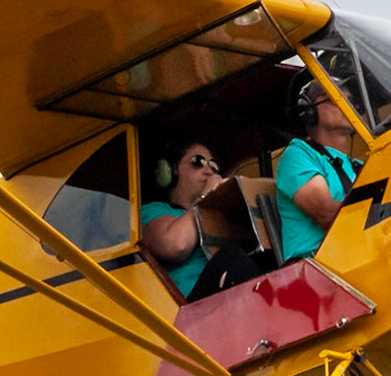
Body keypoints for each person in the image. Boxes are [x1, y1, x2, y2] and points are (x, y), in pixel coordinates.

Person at [140, 139, 260, 301]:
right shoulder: (153, 210)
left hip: (227, 299)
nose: (209, 171)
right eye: (198, 162)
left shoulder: (218, 215)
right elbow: (176, 245)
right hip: (185, 309)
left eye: (213, 165)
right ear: (169, 171)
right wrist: (206, 197)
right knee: (231, 258)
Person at [277, 80, 362, 261]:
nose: (346, 106)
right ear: (309, 111)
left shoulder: (359, 166)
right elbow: (328, 215)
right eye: (334, 98)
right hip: (316, 269)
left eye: (350, 101)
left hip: (358, 259)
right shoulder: (298, 155)